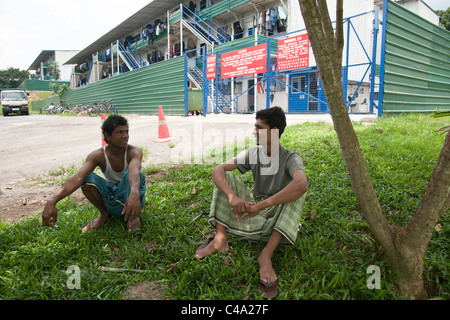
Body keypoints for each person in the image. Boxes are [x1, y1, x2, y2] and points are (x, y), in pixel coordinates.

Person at [194, 106, 308, 299]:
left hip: (276, 224)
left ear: (274, 132)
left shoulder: (290, 158)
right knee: (225, 177)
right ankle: (220, 238)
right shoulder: (253, 153)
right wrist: (233, 197)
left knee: (299, 191)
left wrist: (261, 206)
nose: (254, 132)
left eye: (259, 128)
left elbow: (302, 184)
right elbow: (217, 170)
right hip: (253, 217)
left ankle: (266, 254)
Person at [42, 115, 146, 233]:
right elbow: (78, 177)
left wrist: (134, 193)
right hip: (112, 198)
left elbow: (134, 173)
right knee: (87, 177)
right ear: (107, 136)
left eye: (127, 131)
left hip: (133, 197)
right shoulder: (97, 155)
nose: (125, 136)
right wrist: (52, 201)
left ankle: (133, 217)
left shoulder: (134, 152)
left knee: (134, 175)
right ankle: (104, 215)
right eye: (119, 132)